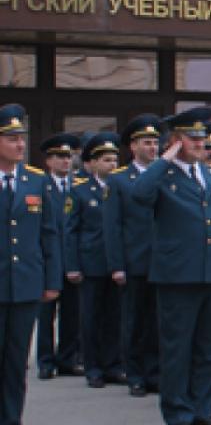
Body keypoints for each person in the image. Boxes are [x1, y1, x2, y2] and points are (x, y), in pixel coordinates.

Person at [132, 107, 211, 425]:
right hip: (178, 275)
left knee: (209, 348)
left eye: (202, 138)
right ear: (176, 141)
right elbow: (138, 194)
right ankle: (178, 412)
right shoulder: (162, 176)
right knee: (177, 348)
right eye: (191, 138)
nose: (199, 144)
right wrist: (164, 159)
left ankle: (202, 409)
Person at [0, 104, 63, 425]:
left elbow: (49, 234)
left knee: (15, 363)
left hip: (24, 285)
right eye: (11, 139)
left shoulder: (36, 180)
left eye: (21, 138)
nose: (20, 145)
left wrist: (51, 280)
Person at [105, 115, 164, 396]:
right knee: (135, 320)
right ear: (133, 146)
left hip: (163, 261)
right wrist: (117, 265)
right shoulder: (119, 180)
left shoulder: (164, 175)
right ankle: (136, 374)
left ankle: (155, 372)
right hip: (135, 260)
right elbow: (112, 226)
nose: (153, 148)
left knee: (157, 321)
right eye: (147, 143)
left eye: (155, 143)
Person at [69, 133, 125, 389]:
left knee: (114, 317)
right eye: (106, 160)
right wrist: (72, 265)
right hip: (91, 263)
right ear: (92, 163)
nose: (112, 165)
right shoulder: (79, 191)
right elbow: (71, 231)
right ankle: (93, 367)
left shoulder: (121, 189)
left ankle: (113, 365)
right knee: (91, 317)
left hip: (116, 263)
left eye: (114, 160)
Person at [34, 132, 82, 380]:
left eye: (68, 157)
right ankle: (45, 361)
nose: (65, 161)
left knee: (71, 315)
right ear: (48, 161)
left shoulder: (78, 186)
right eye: (60, 157)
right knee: (46, 315)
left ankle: (67, 359)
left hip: (72, 260)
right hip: (49, 261)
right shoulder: (41, 185)